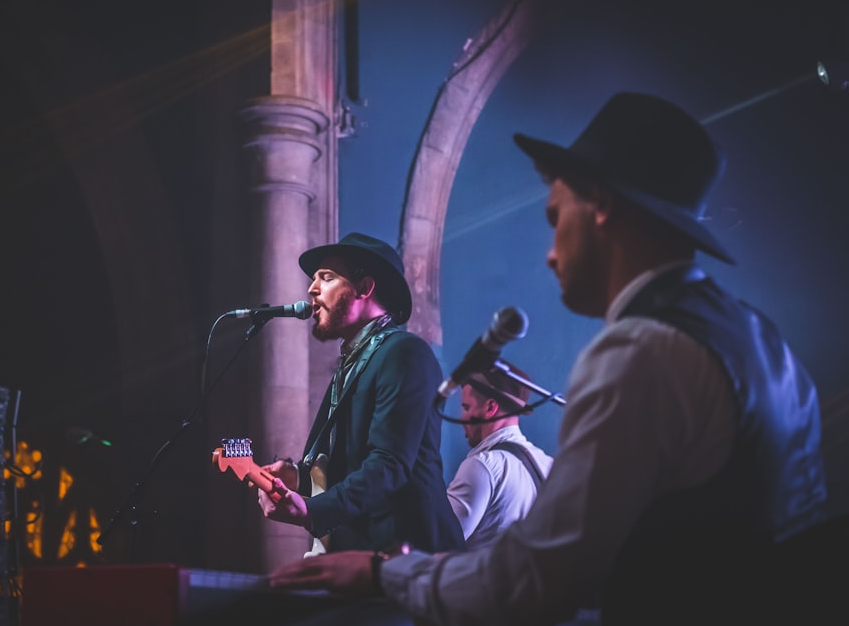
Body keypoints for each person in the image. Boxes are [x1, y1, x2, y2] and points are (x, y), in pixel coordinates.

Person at [266, 93, 832, 625]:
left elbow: (541, 575)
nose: (552, 252)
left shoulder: (640, 352)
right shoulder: (764, 343)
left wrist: (383, 572)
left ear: (602, 206)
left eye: (556, 217)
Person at [255, 232, 465, 556]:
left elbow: (389, 463)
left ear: (364, 288)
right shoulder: (353, 364)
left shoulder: (404, 353)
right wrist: (297, 477)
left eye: (326, 278)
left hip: (412, 561)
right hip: (365, 559)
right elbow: (347, 469)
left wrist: (312, 511)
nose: (311, 289)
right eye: (314, 279)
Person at [447, 360, 553, 550]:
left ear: (490, 408)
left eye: (466, 407)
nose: (462, 418)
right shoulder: (550, 466)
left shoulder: (483, 466)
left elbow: (441, 542)